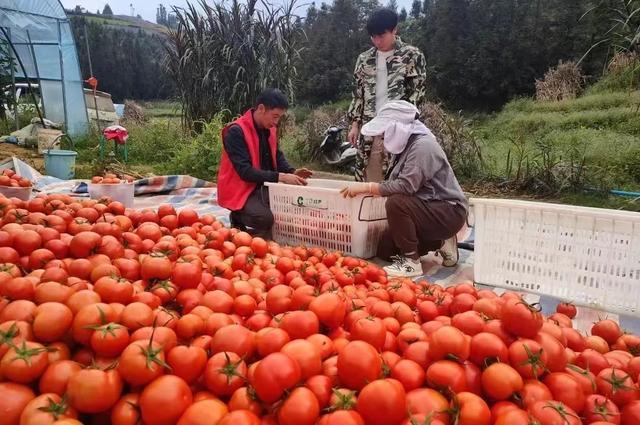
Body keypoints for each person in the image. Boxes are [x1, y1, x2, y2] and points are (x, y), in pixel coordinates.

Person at [341, 101, 467, 278]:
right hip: (426, 209)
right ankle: (440, 242)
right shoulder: (406, 147)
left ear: (396, 129)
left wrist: (367, 187)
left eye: (384, 133)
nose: (382, 138)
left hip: (447, 211)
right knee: (385, 249)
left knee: (396, 203)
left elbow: (406, 186)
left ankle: (411, 263)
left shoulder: (423, 146)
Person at [217, 88, 313, 239]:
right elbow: (245, 172)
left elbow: (277, 155)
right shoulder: (236, 131)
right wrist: (281, 177)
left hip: (262, 186)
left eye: (279, 118)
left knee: (291, 208)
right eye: (274, 116)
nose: (276, 122)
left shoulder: (269, 129)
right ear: (261, 108)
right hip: (241, 188)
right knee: (265, 218)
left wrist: (291, 171)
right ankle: (237, 217)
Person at [347, 8, 427, 183]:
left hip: (398, 131)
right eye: (373, 36)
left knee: (396, 179)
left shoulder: (412, 56)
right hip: (370, 128)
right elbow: (358, 93)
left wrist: (404, 125)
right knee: (369, 178)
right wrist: (355, 124)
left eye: (381, 35)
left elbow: (416, 94)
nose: (377, 41)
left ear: (394, 30)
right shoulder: (364, 59)